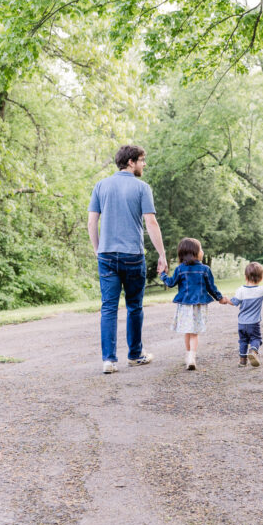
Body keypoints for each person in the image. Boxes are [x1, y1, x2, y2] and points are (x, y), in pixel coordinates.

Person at [87, 145, 168, 374]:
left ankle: (109, 360)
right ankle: (135, 355)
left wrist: (98, 249)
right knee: (134, 306)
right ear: (131, 162)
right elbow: (151, 223)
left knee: (109, 308)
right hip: (133, 255)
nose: (144, 165)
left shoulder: (100, 186)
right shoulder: (142, 188)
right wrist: (162, 254)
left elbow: (92, 222)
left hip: (107, 255)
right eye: (142, 160)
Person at [159, 237, 228, 371]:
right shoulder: (205, 269)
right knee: (194, 333)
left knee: (187, 331)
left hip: (184, 305)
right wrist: (220, 298)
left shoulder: (180, 269)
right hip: (198, 305)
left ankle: (188, 355)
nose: (202, 251)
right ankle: (192, 357)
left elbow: (171, 282)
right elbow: (211, 287)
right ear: (194, 252)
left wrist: (162, 274)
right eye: (200, 249)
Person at [227, 261, 263, 367]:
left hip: (241, 323)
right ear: (261, 278)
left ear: (245, 277)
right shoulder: (261, 290)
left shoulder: (241, 290)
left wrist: (226, 299)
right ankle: (253, 352)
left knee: (243, 341)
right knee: (256, 339)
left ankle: (242, 360)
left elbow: (234, 302)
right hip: (254, 323)